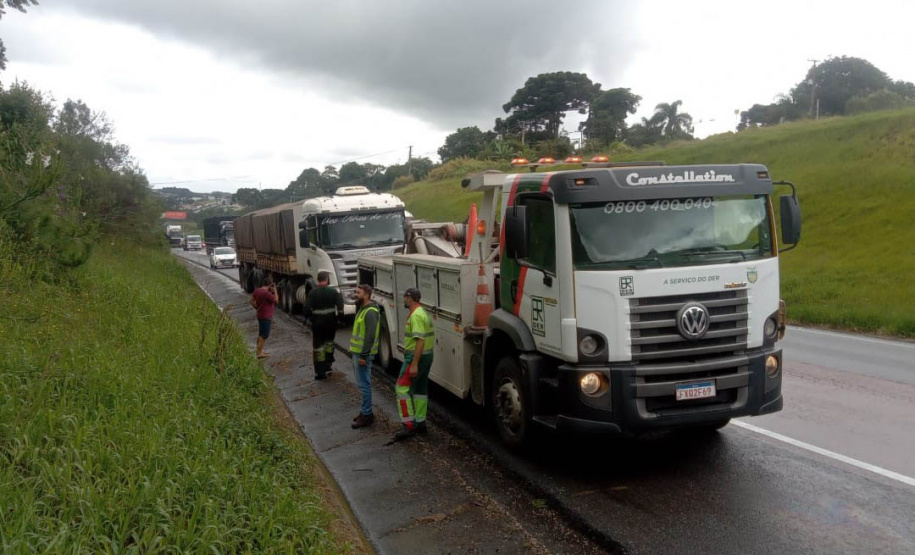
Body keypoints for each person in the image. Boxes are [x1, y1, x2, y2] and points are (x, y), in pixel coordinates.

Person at [393, 287, 434, 441]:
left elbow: (420, 340)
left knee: (401, 389)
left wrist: (414, 363)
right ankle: (420, 422)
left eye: (404, 297)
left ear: (409, 297)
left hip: (415, 358)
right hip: (427, 357)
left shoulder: (416, 316)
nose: (403, 300)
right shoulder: (423, 313)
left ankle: (408, 425)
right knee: (419, 390)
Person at [349, 284, 380, 429]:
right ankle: (365, 412)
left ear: (366, 295)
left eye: (358, 292)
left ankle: (366, 414)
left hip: (363, 355)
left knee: (364, 385)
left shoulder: (370, 312)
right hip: (359, 353)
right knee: (363, 384)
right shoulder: (363, 309)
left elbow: (370, 336)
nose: (355, 294)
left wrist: (363, 355)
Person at [304, 271, 344, 380]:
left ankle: (319, 372)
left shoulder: (312, 292)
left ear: (318, 279)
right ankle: (328, 365)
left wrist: (311, 318)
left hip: (317, 323)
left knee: (318, 347)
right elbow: (340, 308)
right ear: (327, 279)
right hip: (331, 322)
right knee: (329, 344)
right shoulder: (333, 292)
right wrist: (339, 320)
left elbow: (307, 309)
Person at [250, 275, 278, 359]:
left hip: (260, 314)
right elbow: (276, 300)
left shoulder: (257, 291)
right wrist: (275, 291)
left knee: (260, 334)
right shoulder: (267, 293)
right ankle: (259, 353)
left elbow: (251, 300)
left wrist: (256, 307)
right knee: (264, 335)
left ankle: (259, 350)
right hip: (266, 316)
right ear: (269, 285)